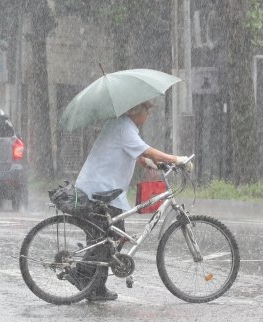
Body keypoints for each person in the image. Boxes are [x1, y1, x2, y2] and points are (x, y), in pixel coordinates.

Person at [74, 100, 190, 302]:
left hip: (102, 187)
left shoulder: (121, 125)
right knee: (107, 238)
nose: (148, 116)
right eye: (147, 111)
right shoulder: (124, 127)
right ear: (136, 111)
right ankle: (83, 277)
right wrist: (175, 159)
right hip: (99, 188)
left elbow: (134, 152)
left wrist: (148, 163)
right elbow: (145, 149)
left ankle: (94, 285)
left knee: (112, 238)